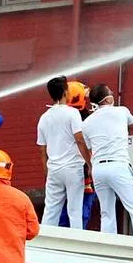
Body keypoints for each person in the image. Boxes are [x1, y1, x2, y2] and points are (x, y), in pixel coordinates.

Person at [82, 84, 133, 237]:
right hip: (118, 165)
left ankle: (108, 245)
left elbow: (89, 145)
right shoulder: (121, 111)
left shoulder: (86, 123)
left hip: (98, 169)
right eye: (110, 92)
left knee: (106, 212)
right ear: (108, 98)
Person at [36, 75, 90, 229]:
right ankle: (76, 244)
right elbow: (79, 139)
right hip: (73, 168)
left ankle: (45, 242)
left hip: (53, 168)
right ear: (66, 92)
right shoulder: (72, 113)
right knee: (74, 209)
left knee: (51, 209)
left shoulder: (44, 118)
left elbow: (42, 149)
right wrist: (89, 162)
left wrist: (47, 171)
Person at [58, 80, 97, 229]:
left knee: (61, 213)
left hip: (60, 170)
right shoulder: (85, 119)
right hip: (81, 171)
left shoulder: (55, 118)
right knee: (79, 213)